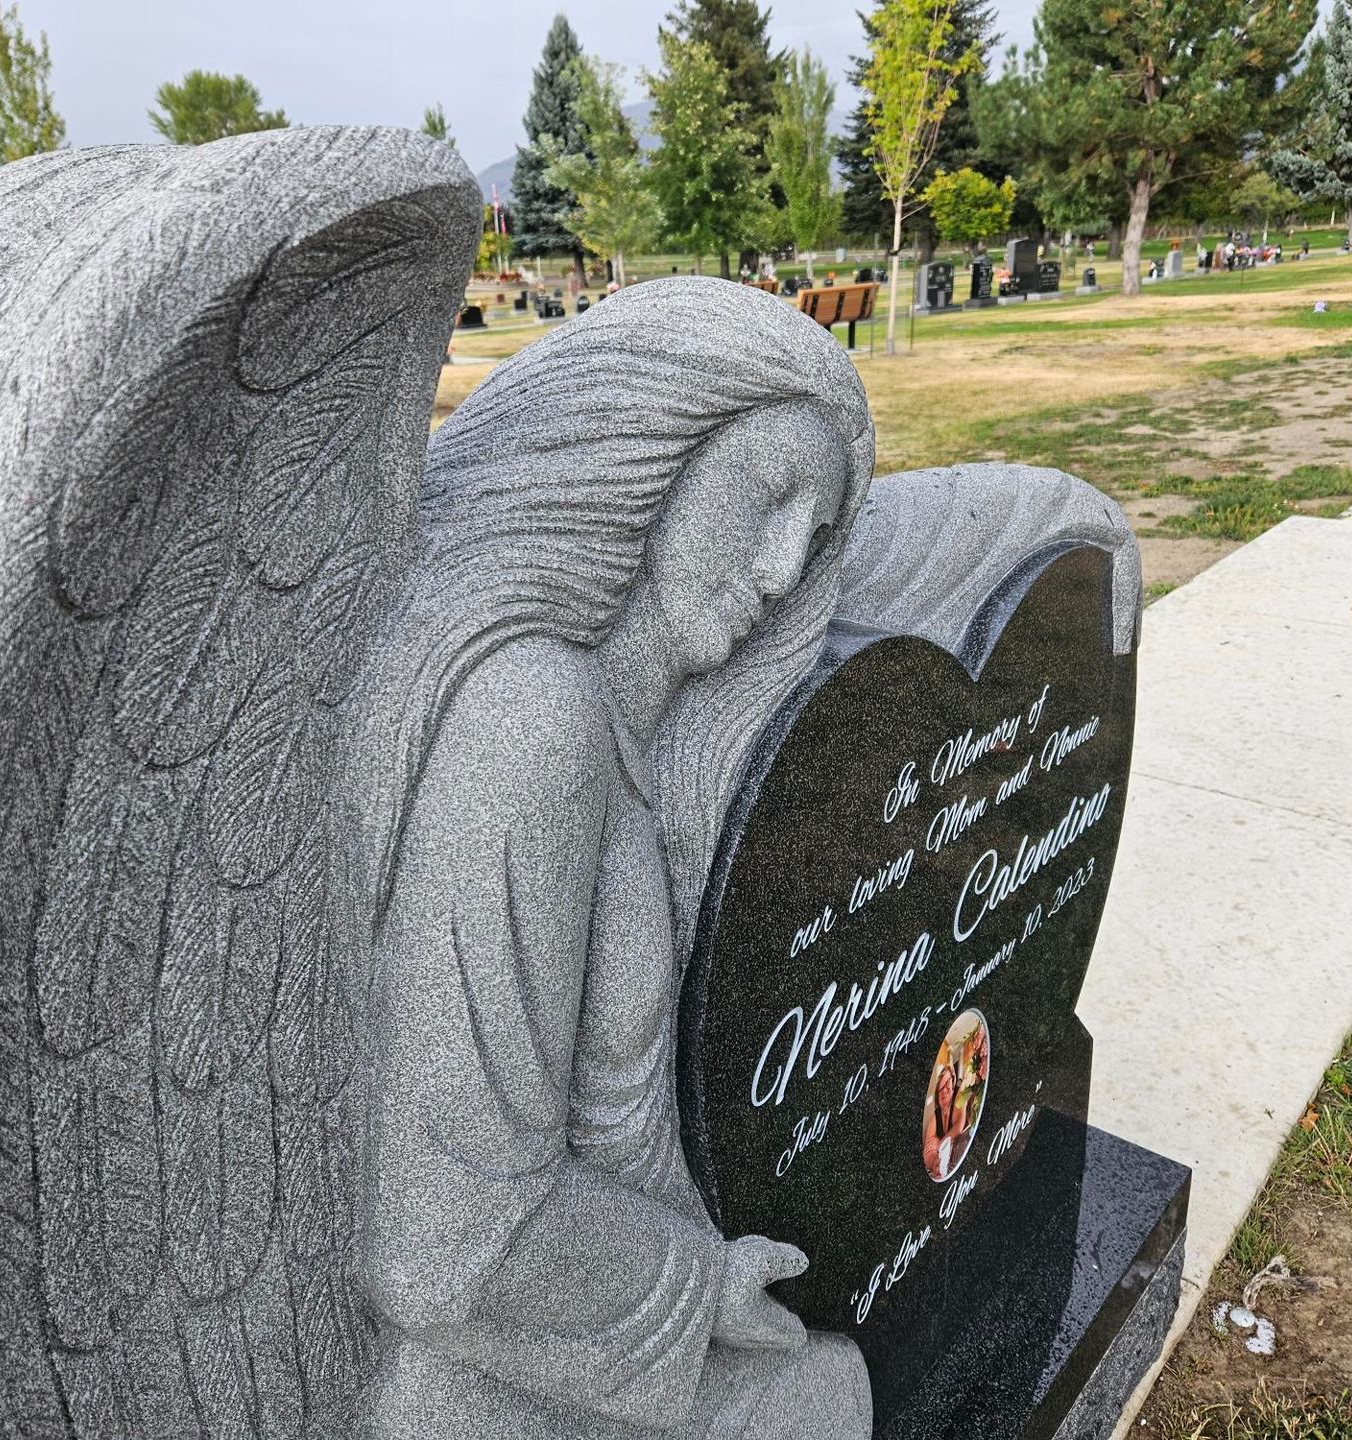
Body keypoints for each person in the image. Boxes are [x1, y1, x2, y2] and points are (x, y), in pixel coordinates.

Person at [356, 279, 877, 1440]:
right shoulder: (531, 727)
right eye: (767, 494)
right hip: (509, 1382)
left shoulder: (627, 744)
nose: (786, 569)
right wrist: (702, 1288)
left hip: (600, 1318)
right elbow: (439, 1238)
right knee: (831, 1399)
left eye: (818, 533)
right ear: (654, 457)